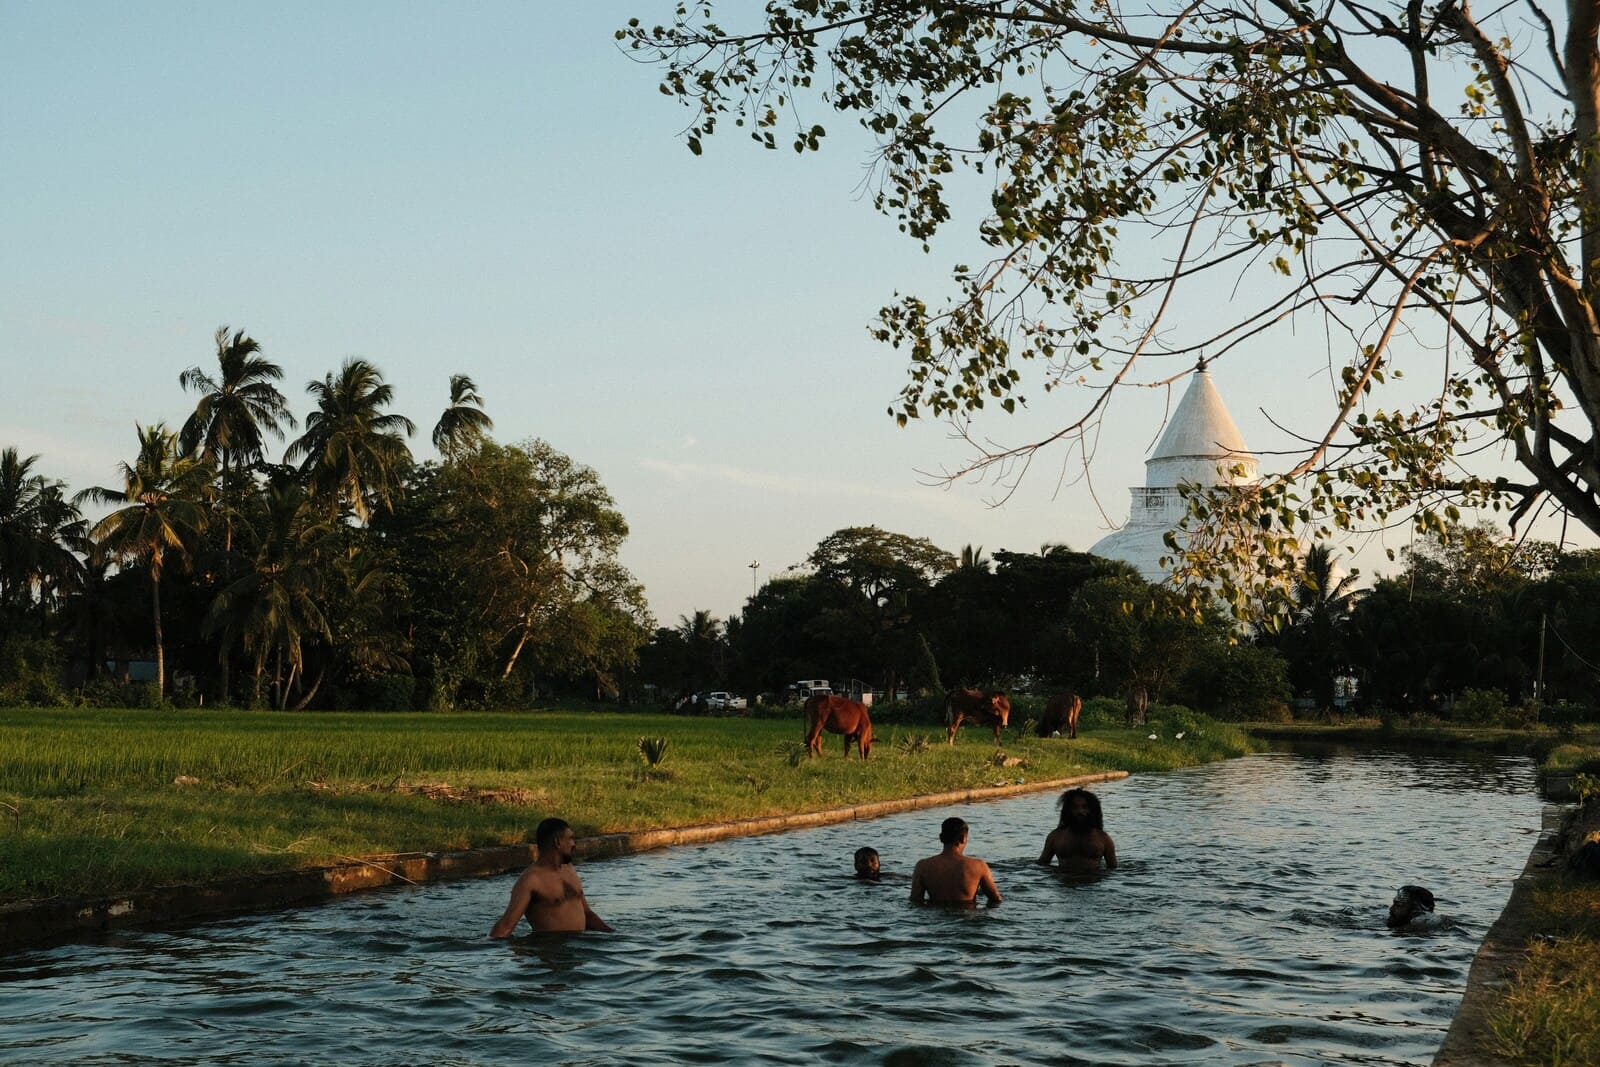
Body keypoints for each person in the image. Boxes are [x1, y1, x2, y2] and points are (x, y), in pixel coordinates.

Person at [490, 817, 613, 936]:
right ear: (557, 842)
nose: (573, 844)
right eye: (570, 838)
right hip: (551, 950)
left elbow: (588, 914)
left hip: (578, 951)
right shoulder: (531, 880)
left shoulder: (569, 869)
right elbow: (506, 925)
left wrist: (614, 936)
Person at [910, 817, 1002, 906]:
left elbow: (916, 901)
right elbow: (996, 899)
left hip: (936, 917)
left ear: (941, 838)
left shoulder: (922, 866)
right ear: (963, 838)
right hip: (966, 916)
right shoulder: (979, 866)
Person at [1037, 788, 1117, 873]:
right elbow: (1042, 865)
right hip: (1064, 883)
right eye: (1075, 807)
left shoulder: (1103, 838)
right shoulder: (1055, 837)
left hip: (1092, 883)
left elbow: (1113, 869)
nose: (1080, 811)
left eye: (1085, 807)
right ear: (1068, 810)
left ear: (1092, 810)